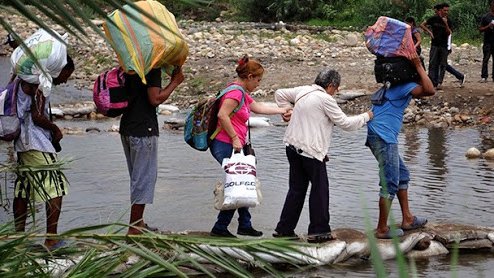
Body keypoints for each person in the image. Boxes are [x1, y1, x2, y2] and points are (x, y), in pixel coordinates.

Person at [273, 69, 373, 243]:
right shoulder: (326, 99)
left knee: (296, 190)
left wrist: (287, 111)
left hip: (292, 146)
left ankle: (284, 230)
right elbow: (346, 124)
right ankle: (318, 231)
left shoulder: (303, 90)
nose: (336, 92)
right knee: (320, 190)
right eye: (336, 89)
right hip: (310, 151)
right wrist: (367, 116)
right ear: (331, 86)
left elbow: (279, 93)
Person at [209, 55, 291, 238]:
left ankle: (244, 224)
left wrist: (281, 111)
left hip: (233, 144)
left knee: (243, 182)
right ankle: (221, 227)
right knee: (237, 183)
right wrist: (235, 139)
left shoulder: (240, 91)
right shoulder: (235, 92)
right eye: (258, 80)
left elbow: (258, 107)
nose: (259, 84)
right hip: (225, 144)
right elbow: (223, 115)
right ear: (249, 77)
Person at [366, 55, 435, 239]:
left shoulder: (390, 86)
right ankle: (381, 229)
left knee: (402, 175)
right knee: (390, 182)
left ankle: (408, 219)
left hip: (378, 134)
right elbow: (430, 90)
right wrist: (419, 66)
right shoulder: (405, 86)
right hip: (384, 137)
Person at [13, 55, 75, 250]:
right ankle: (51, 239)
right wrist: (55, 129)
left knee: (23, 188)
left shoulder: (22, 78)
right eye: (66, 74)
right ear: (59, 68)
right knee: (56, 186)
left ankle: (17, 240)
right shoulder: (40, 82)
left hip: (22, 142)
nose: (65, 79)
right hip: (36, 141)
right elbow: (38, 116)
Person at [120, 66, 184, 236]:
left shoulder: (131, 66)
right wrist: (175, 82)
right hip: (143, 131)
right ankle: (134, 228)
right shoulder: (152, 69)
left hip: (127, 127)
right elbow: (155, 99)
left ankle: (139, 223)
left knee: (137, 178)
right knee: (144, 180)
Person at [420, 3, 452, 88]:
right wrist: (429, 32)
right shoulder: (434, 18)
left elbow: (449, 33)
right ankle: (431, 81)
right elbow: (422, 25)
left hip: (444, 45)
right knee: (432, 63)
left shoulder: (448, 20)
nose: (446, 12)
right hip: (435, 44)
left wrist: (446, 24)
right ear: (440, 10)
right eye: (444, 10)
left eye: (447, 10)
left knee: (443, 64)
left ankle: (439, 82)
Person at [479, 2, 494, 82]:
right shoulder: (486, 17)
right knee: (486, 59)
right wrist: (488, 26)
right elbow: (480, 29)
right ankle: (484, 76)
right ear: (491, 6)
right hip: (487, 41)